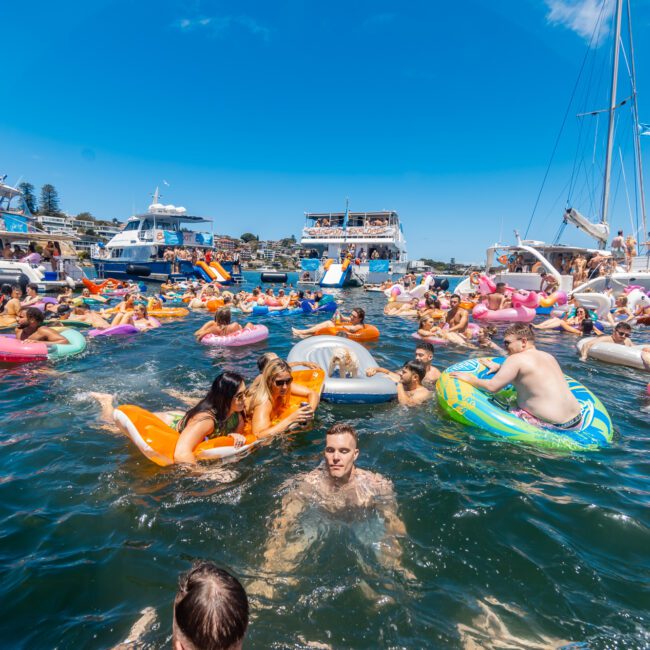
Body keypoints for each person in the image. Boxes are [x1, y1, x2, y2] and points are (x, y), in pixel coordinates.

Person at [248, 423, 413, 600]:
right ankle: (258, 596)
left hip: (361, 521)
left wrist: (396, 554)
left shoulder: (376, 485)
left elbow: (393, 524)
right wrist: (271, 554)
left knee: (391, 571)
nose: (335, 457)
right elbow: (283, 521)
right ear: (324, 453)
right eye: (330, 450)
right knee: (282, 561)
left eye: (343, 451)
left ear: (355, 454)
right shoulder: (310, 483)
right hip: (320, 519)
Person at [91, 371, 248, 465]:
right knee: (110, 426)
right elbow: (181, 454)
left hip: (187, 420)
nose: (244, 399)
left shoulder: (237, 412)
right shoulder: (206, 421)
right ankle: (106, 402)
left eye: (245, 394)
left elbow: (239, 433)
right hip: (169, 424)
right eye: (239, 396)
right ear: (226, 398)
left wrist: (234, 435)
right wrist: (206, 475)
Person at [451, 323, 582, 430]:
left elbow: (492, 387)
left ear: (523, 341)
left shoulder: (516, 359)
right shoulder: (548, 356)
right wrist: (499, 368)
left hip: (551, 426)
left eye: (507, 343)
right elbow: (531, 374)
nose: (505, 347)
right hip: (576, 421)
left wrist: (471, 379)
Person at [246, 358, 316, 437]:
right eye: (279, 382)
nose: (285, 387)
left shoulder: (284, 385)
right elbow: (258, 435)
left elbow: (312, 393)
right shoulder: (264, 403)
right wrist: (291, 419)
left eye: (289, 380)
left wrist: (309, 413)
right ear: (269, 381)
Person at [291, 307, 366, 339]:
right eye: (351, 315)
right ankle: (304, 335)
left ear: (360, 319)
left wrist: (343, 327)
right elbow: (343, 318)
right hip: (339, 332)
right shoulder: (354, 320)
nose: (351, 317)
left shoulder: (359, 326)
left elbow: (353, 329)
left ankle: (302, 332)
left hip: (344, 336)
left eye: (354, 316)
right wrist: (338, 313)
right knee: (326, 324)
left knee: (328, 323)